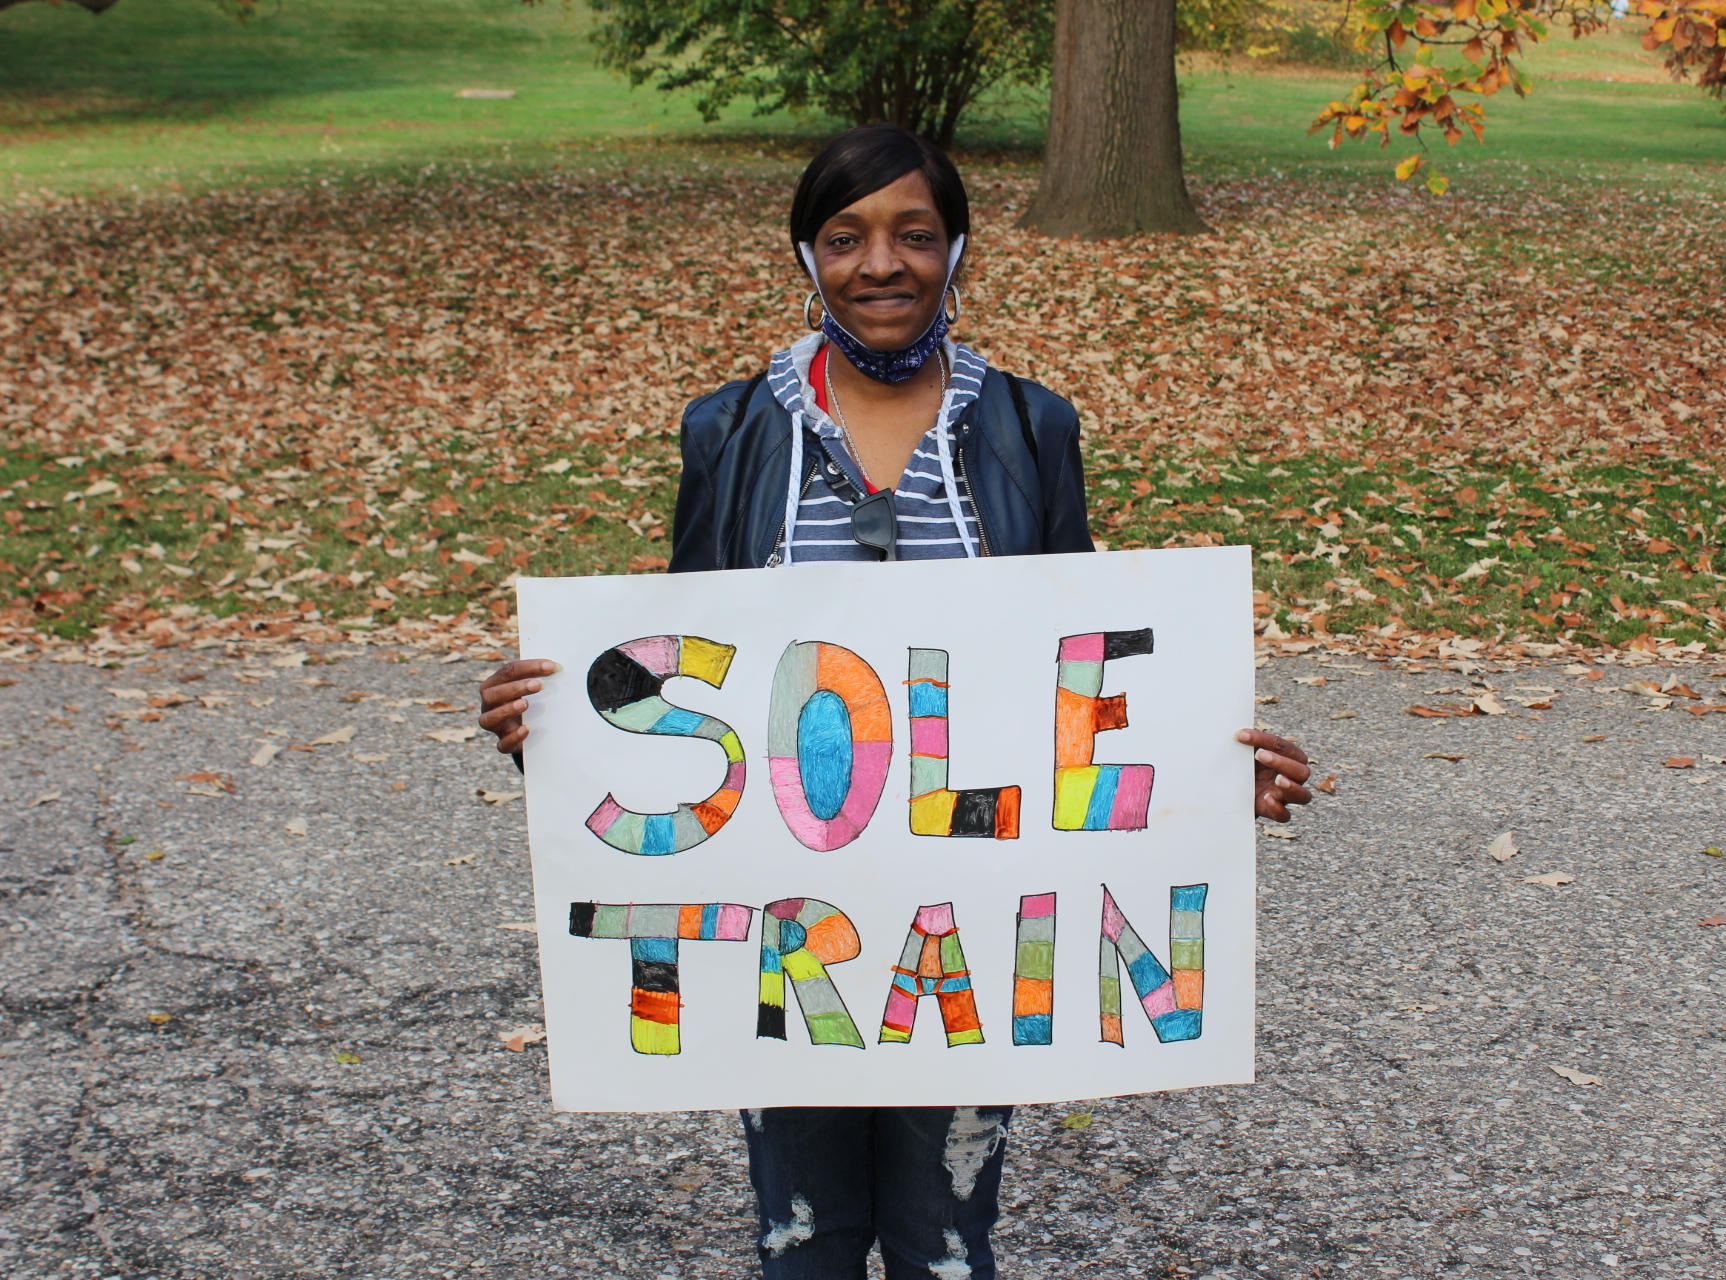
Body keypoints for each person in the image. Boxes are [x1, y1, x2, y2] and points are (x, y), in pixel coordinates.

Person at [477, 124, 1314, 1280]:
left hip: (966, 910)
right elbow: (685, 659)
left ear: (956, 250)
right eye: (845, 237)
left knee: (948, 1240)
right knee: (803, 1239)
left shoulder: (1030, 426)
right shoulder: (729, 430)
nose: (881, 263)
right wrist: (563, 733)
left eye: (914, 234)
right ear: (806, 257)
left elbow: (1077, 662)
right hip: (786, 914)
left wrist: (1204, 782)